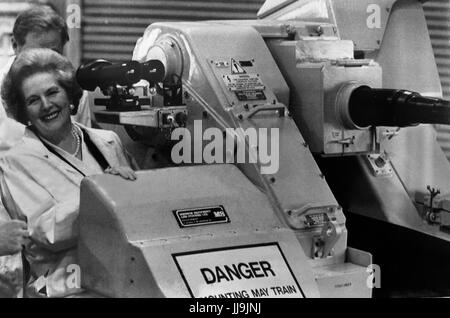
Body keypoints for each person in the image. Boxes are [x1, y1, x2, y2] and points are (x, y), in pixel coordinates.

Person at [0, 48, 138, 298]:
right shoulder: (14, 160)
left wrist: (133, 186)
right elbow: (47, 231)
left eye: (53, 92)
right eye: (33, 100)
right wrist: (109, 190)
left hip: (124, 278)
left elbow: (140, 209)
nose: (46, 105)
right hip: (63, 289)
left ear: (69, 94)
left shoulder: (108, 142)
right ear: (24, 111)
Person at [0, 5, 93, 151]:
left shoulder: (74, 89)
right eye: (36, 52)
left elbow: (84, 145)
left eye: (53, 52)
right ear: (15, 45)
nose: (43, 60)